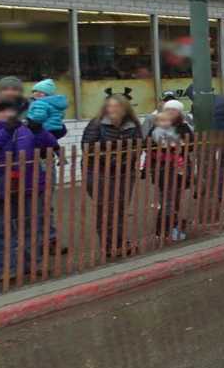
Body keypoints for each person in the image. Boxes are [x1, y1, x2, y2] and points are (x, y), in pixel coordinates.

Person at [0, 95, 60, 285]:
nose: (15, 114)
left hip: (27, 186)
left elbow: (50, 145)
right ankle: (6, 270)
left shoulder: (25, 130)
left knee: (31, 228)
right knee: (1, 231)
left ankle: (33, 264)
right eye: (9, 110)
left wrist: (39, 130)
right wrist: (6, 131)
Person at [80, 93, 144, 259]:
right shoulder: (97, 124)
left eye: (117, 106)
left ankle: (120, 241)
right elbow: (87, 147)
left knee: (120, 207)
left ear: (125, 108)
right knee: (107, 208)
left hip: (124, 171)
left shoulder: (133, 124)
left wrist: (126, 160)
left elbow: (138, 146)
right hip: (98, 171)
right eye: (109, 106)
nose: (112, 109)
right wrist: (113, 159)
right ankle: (110, 245)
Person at [144, 105, 194, 241]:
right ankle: (164, 229)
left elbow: (191, 145)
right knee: (167, 199)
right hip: (162, 168)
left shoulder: (183, 126)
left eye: (175, 109)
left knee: (176, 197)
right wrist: (166, 148)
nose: (171, 112)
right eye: (169, 109)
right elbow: (147, 145)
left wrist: (180, 146)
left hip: (180, 166)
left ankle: (174, 224)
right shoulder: (157, 128)